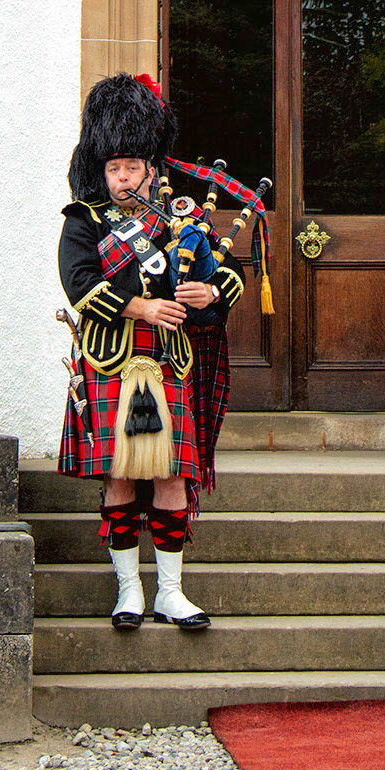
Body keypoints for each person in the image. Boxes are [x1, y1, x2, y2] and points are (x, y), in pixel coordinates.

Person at [57, 72, 244, 632]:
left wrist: (210, 291)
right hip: (112, 359)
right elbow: (80, 283)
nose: (120, 178)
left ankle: (170, 592)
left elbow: (228, 277)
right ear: (100, 168)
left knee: (171, 477)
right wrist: (142, 307)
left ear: (150, 167)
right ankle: (127, 591)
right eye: (112, 168)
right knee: (118, 476)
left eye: (130, 167)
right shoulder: (83, 222)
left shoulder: (177, 222)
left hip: (168, 363)